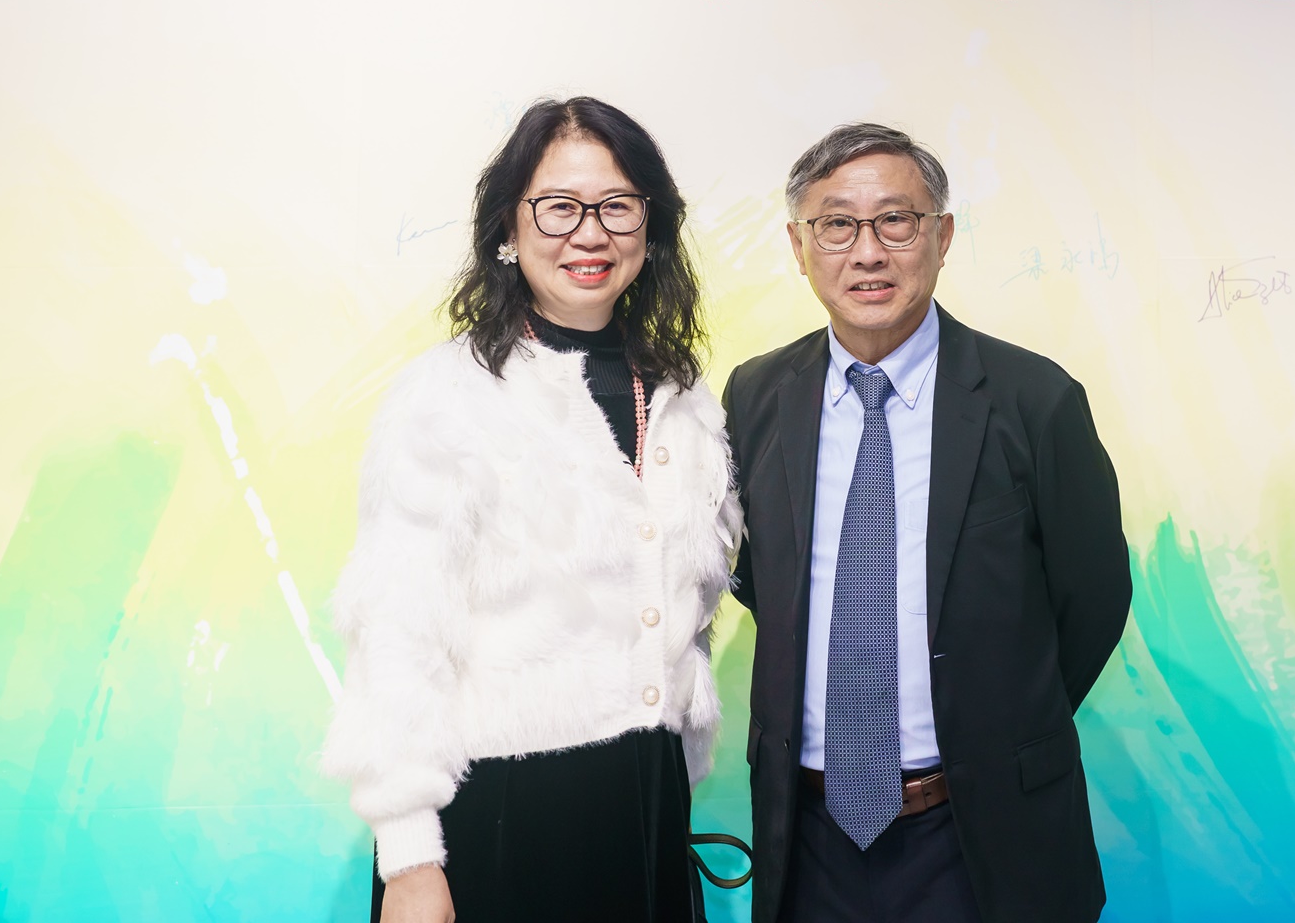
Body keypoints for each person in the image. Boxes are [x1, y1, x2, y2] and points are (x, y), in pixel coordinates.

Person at [322, 97, 742, 923]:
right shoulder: (446, 395)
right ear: (509, 228)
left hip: (647, 797)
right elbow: (396, 635)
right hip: (505, 812)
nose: (590, 233)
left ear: (651, 227)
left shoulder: (684, 398)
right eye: (558, 207)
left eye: (617, 206)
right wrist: (408, 857)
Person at [724, 122, 1132, 923]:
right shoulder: (756, 395)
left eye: (895, 222)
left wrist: (1000, 721)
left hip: (980, 831)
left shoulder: (1035, 399)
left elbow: (1091, 599)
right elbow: (759, 580)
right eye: (836, 225)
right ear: (799, 247)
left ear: (941, 237)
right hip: (806, 834)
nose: (867, 253)